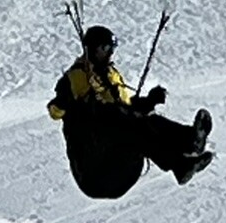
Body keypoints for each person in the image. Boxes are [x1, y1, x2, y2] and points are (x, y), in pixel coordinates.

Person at [48, 24, 213, 198]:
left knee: (141, 121)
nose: (110, 53)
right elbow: (54, 111)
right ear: (91, 48)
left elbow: (128, 110)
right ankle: (181, 161)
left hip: (121, 170)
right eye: (105, 48)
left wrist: (148, 102)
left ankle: (189, 145)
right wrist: (66, 104)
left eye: (112, 48)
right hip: (92, 170)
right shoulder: (74, 78)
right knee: (120, 120)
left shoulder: (112, 75)